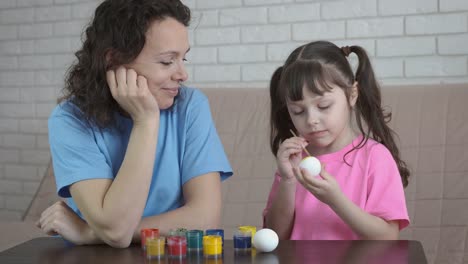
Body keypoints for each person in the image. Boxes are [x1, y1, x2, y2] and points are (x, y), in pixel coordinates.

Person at [36, 0, 232, 248]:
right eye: (167, 61)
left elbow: (206, 218)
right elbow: (116, 230)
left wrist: (91, 233)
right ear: (115, 60)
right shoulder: (70, 120)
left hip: (172, 254)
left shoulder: (191, 106)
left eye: (184, 59)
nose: (183, 74)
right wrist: (146, 121)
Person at [263, 40, 409, 240]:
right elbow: (275, 236)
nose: (311, 120)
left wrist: (336, 200)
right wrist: (287, 180)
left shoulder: (374, 157)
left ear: (352, 94)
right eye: (298, 111)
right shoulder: (294, 161)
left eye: (323, 106)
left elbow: (387, 237)